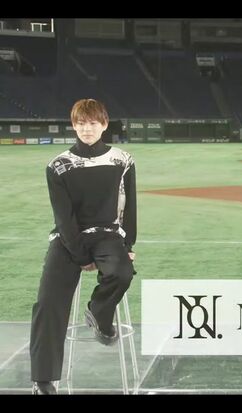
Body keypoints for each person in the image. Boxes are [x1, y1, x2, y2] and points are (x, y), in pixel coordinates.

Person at [30, 99, 137, 395]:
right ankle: (43, 379)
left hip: (107, 234)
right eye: (80, 123)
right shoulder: (58, 165)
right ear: (73, 125)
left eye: (92, 123)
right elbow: (63, 217)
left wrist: (128, 243)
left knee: (122, 272)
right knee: (48, 301)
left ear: (104, 124)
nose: (86, 129)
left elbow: (128, 207)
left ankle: (99, 312)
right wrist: (79, 256)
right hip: (67, 238)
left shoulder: (122, 160)